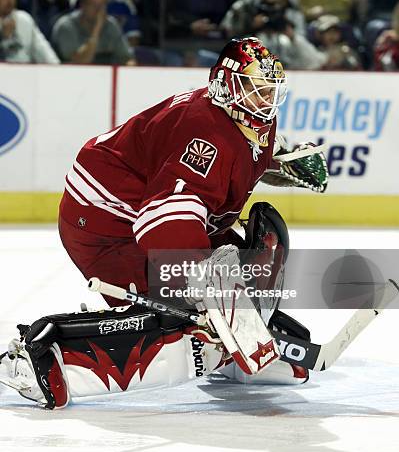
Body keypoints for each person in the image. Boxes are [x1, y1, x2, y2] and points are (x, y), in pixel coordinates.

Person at [0, 37, 328, 409]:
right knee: (190, 317)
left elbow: (248, 151)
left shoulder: (247, 117)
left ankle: (228, 350)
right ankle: (39, 356)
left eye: (269, 92)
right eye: (254, 90)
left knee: (247, 269)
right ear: (225, 86)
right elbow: (165, 223)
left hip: (141, 215)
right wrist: (204, 286)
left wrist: (282, 157)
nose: (264, 101)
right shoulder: (206, 133)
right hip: (106, 225)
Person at [51, 0, 132, 65]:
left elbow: (126, 58)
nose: (98, 10)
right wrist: (96, 29)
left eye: (102, 5)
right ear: (82, 6)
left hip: (105, 74)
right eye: (93, 4)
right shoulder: (66, 26)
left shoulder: (111, 25)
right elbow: (80, 62)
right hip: (72, 75)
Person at [0, 0, 60, 64]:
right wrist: (3, 37)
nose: (10, 1)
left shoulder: (24, 19)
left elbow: (42, 50)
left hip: (26, 73)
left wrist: (57, 69)